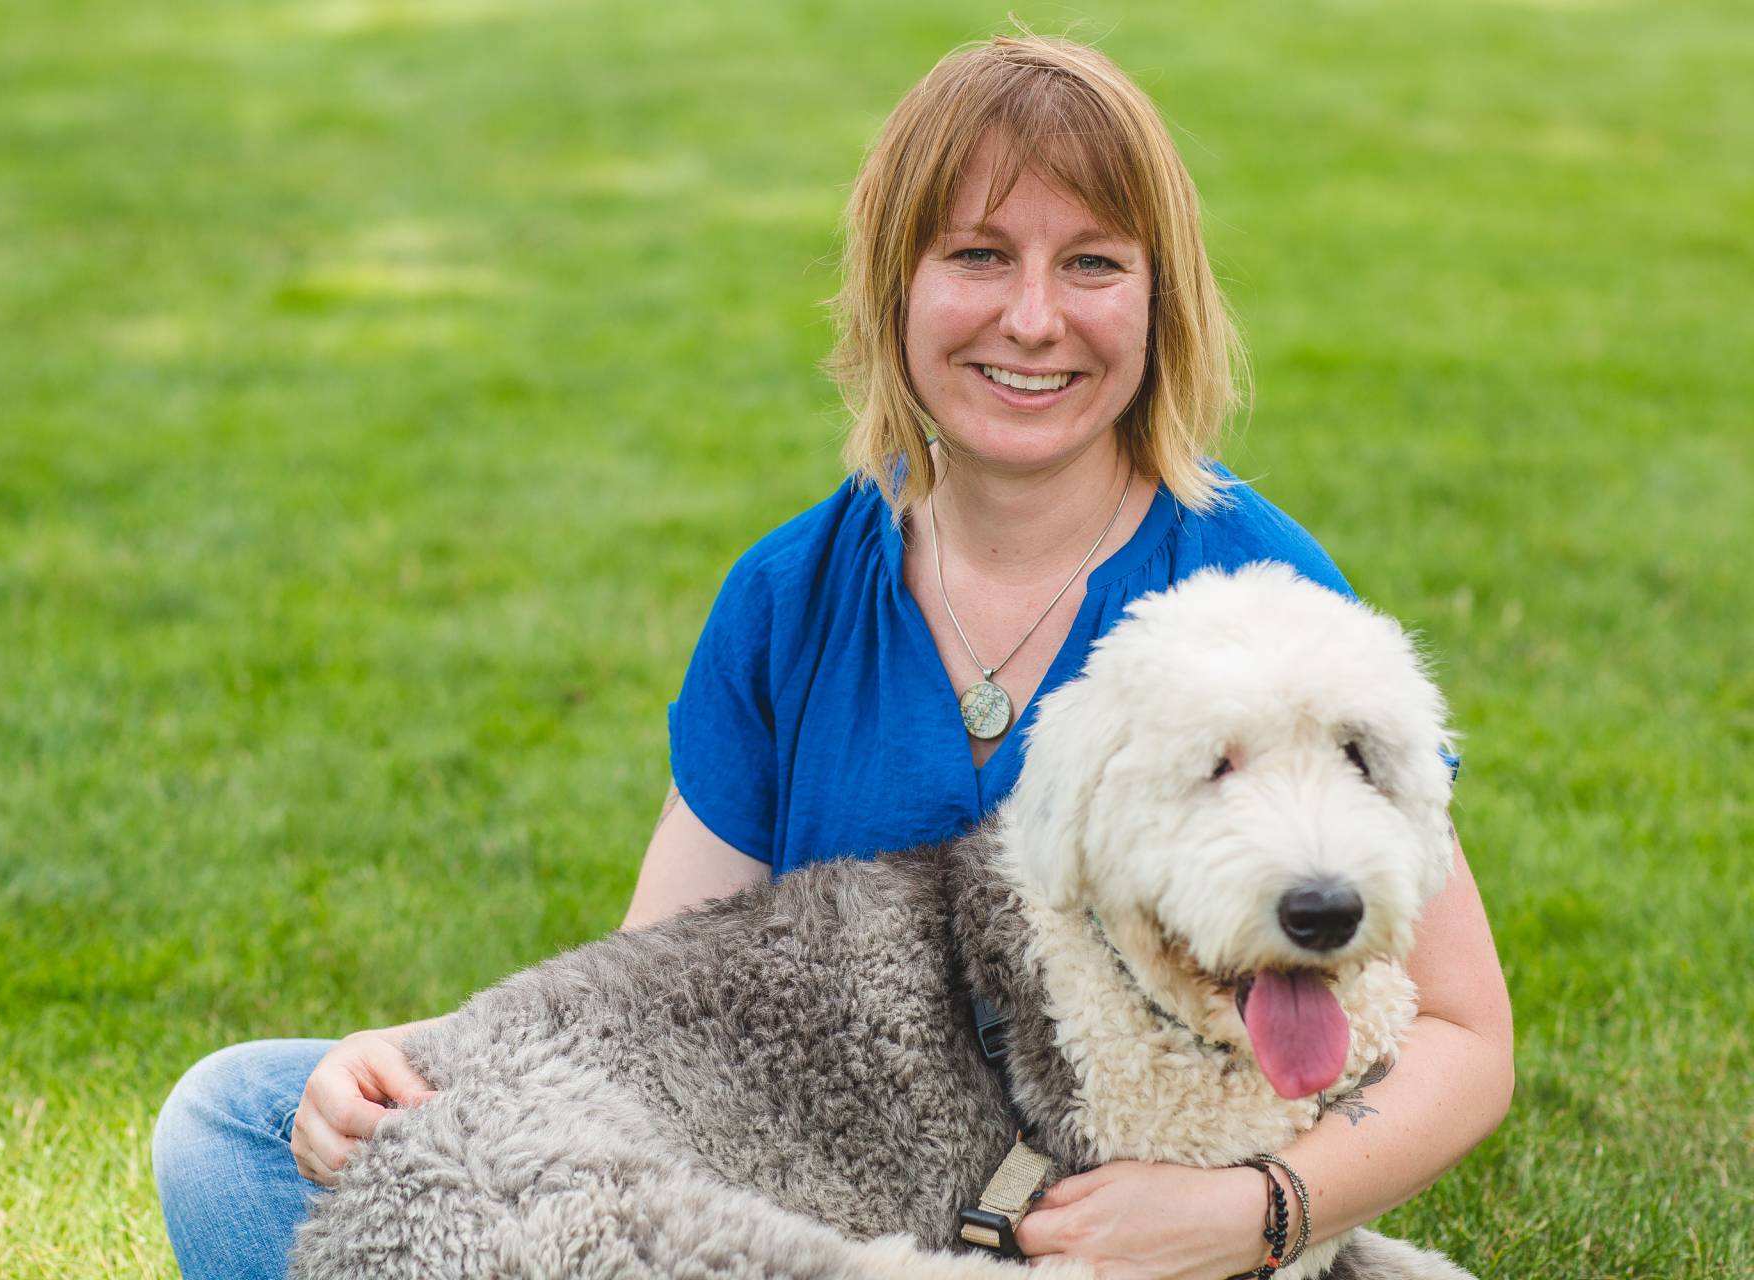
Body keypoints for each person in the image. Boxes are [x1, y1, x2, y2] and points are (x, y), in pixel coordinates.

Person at [153, 34, 1513, 1280]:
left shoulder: (1255, 599)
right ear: (895, 288)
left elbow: (1462, 1034)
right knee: (242, 1119)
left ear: (1160, 300)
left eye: (1092, 262)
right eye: (980, 256)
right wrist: (431, 1060)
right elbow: (662, 989)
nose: (1033, 319)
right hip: (815, 1184)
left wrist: (1260, 1212)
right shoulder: (794, 594)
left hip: (1126, 1199)